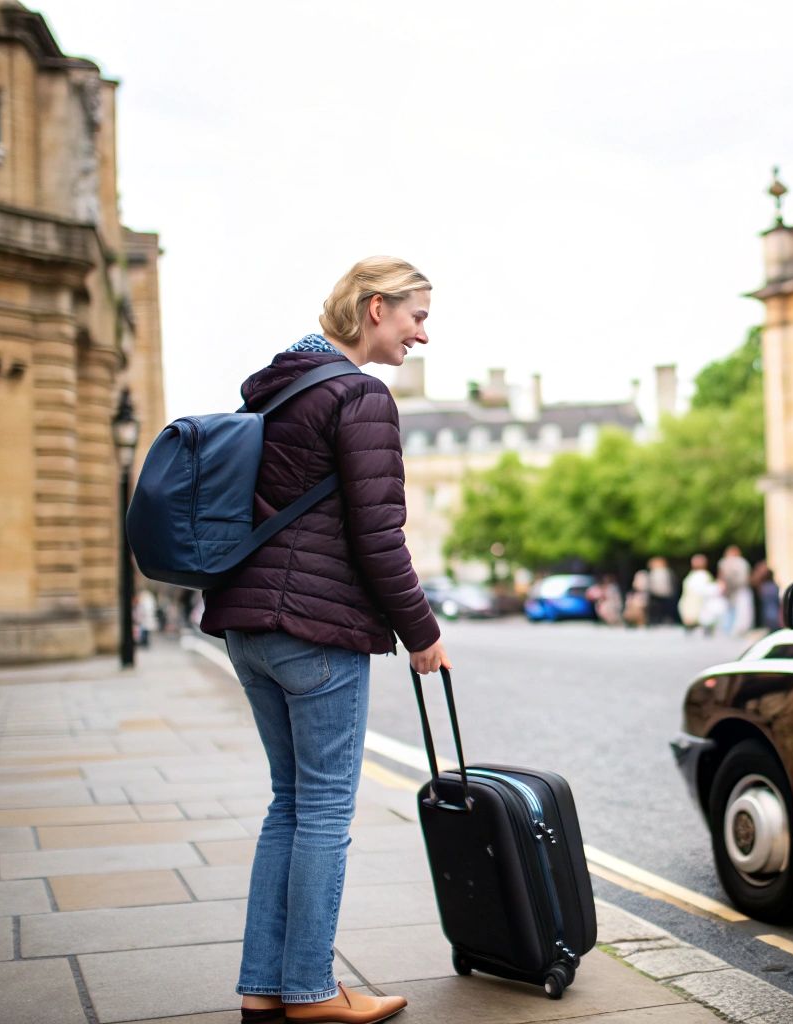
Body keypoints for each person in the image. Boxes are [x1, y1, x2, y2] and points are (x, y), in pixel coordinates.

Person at [201, 257, 449, 1024]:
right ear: (376, 308)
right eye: (416, 316)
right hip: (316, 630)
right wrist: (422, 632)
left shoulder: (275, 387)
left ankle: (263, 987)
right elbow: (379, 536)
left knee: (290, 804)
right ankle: (310, 990)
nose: (422, 335)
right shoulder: (360, 396)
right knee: (324, 812)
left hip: (247, 625)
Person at [717, 545, 752, 636]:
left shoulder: (724, 562)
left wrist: (722, 586)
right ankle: (736, 629)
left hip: (732, 589)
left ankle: (729, 629)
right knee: (739, 610)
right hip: (740, 589)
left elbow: (721, 576)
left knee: (731, 610)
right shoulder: (742, 562)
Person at [679, 554, 717, 636]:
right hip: (690, 601)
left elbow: (708, 590)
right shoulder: (693, 574)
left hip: (700, 601)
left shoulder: (704, 575)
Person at [647, 556, 677, 626]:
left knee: (660, 609)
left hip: (658, 594)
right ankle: (664, 620)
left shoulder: (656, 572)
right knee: (665, 609)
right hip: (665, 594)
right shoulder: (667, 571)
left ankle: (659, 621)